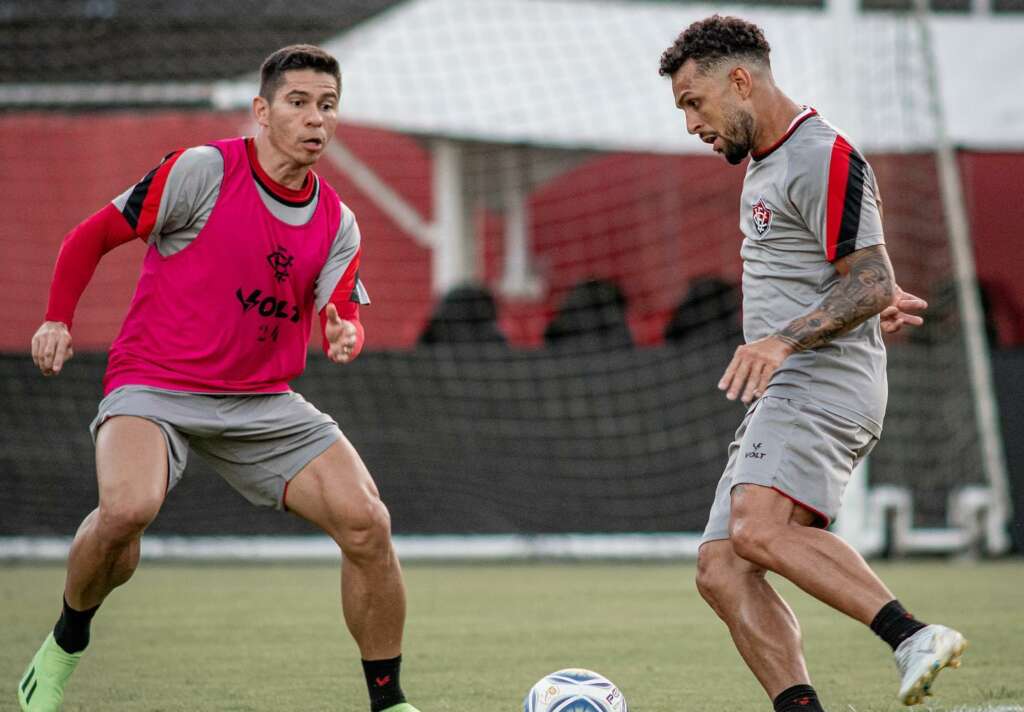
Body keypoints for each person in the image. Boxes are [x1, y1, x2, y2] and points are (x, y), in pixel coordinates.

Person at [19, 45, 420, 712]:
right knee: (127, 511)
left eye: (327, 106)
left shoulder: (338, 222)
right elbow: (87, 237)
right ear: (261, 112)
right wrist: (57, 318)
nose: (314, 119)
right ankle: (65, 642)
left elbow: (345, 301)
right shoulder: (201, 171)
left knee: (366, 524)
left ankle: (390, 702)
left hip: (262, 401)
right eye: (297, 103)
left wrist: (346, 328)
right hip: (155, 385)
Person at [659, 16, 965, 710]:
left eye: (693, 101)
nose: (689, 124)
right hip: (791, 385)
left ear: (740, 80)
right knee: (722, 569)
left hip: (819, 381)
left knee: (760, 530)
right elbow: (853, 281)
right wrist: (857, 304)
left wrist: (785, 339)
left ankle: (911, 635)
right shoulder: (770, 161)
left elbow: (871, 278)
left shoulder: (820, 153)